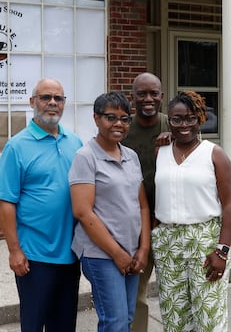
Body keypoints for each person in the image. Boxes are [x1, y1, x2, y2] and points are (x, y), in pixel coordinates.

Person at [0, 78, 83, 332]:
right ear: (32, 102)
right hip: (34, 255)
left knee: (64, 324)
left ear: (64, 104)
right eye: (46, 97)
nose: (52, 103)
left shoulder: (75, 143)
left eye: (58, 98)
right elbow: (6, 202)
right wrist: (14, 251)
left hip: (70, 252)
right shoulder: (16, 147)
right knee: (33, 323)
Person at [152, 91, 231, 332]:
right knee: (174, 316)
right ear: (169, 121)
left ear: (200, 119)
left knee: (209, 316)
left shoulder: (214, 154)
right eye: (176, 119)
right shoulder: (161, 152)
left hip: (206, 240)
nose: (184, 125)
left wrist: (222, 251)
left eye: (190, 118)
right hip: (168, 241)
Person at [69, 91, 151, 332]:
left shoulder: (131, 156)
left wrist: (143, 249)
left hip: (131, 250)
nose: (118, 124)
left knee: (125, 318)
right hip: (100, 254)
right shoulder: (86, 157)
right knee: (114, 322)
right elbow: (83, 212)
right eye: (110, 117)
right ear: (96, 119)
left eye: (124, 119)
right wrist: (117, 253)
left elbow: (143, 206)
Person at [120, 72, 170, 332]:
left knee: (176, 293)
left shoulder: (175, 126)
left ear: (162, 96)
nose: (148, 99)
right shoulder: (122, 130)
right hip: (137, 227)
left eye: (154, 93)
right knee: (136, 294)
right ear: (133, 98)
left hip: (171, 224)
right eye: (142, 94)